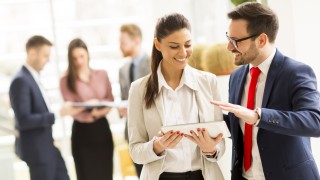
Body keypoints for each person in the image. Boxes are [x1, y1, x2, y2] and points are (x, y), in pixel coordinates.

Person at [211, 2, 320, 180]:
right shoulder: (236, 76)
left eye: (236, 41)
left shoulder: (296, 72)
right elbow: (240, 127)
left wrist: (259, 116)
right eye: (228, 38)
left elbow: (315, 121)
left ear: (261, 40)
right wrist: (207, 123)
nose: (229, 47)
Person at [128, 13, 225, 180]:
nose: (183, 53)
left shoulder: (208, 82)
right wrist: (156, 146)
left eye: (187, 45)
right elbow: (135, 151)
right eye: (174, 46)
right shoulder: (139, 90)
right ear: (157, 44)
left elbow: (220, 141)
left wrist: (211, 149)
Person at [9, 35, 83, 180]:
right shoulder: (20, 80)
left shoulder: (32, 77)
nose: (48, 60)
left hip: (47, 147)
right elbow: (23, 120)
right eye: (45, 55)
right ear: (32, 53)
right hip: (38, 151)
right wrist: (57, 114)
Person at [60, 38, 114, 180]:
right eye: (74, 58)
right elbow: (69, 108)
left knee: (105, 174)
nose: (79, 61)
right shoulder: (66, 80)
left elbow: (109, 100)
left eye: (81, 56)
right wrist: (89, 104)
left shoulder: (102, 74)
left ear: (88, 55)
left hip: (102, 130)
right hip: (81, 133)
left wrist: (98, 112)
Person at [118, 23, 150, 176]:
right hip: (131, 133)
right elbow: (124, 98)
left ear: (136, 41)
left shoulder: (153, 63)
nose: (120, 47)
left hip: (151, 132)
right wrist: (122, 109)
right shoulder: (123, 70)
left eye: (123, 43)